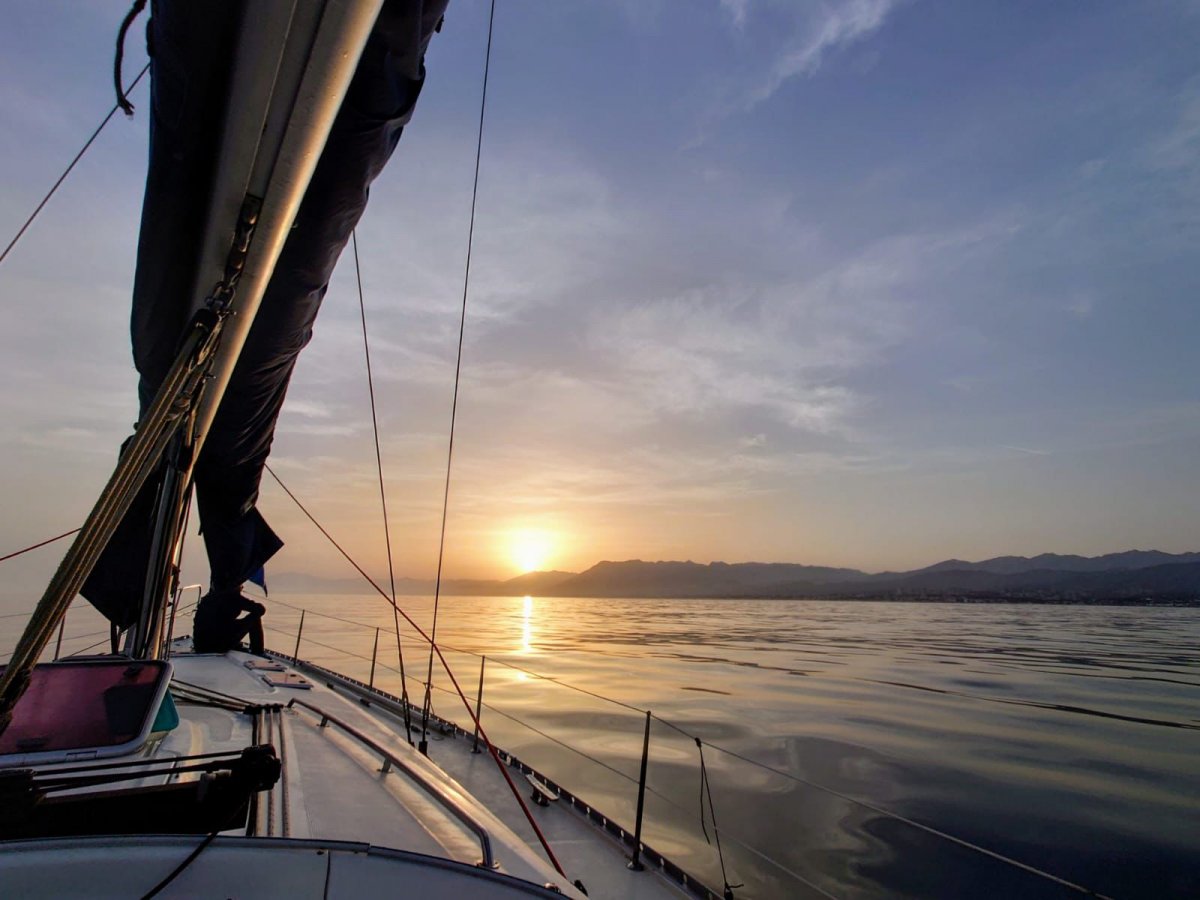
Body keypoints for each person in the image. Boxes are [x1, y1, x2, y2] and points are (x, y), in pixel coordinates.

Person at [193, 587, 266, 655]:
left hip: (200, 646)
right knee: (255, 617)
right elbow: (261, 609)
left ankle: (232, 644)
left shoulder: (208, 597)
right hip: (217, 647)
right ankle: (258, 652)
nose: (242, 587)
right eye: (240, 585)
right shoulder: (233, 597)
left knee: (221, 623)